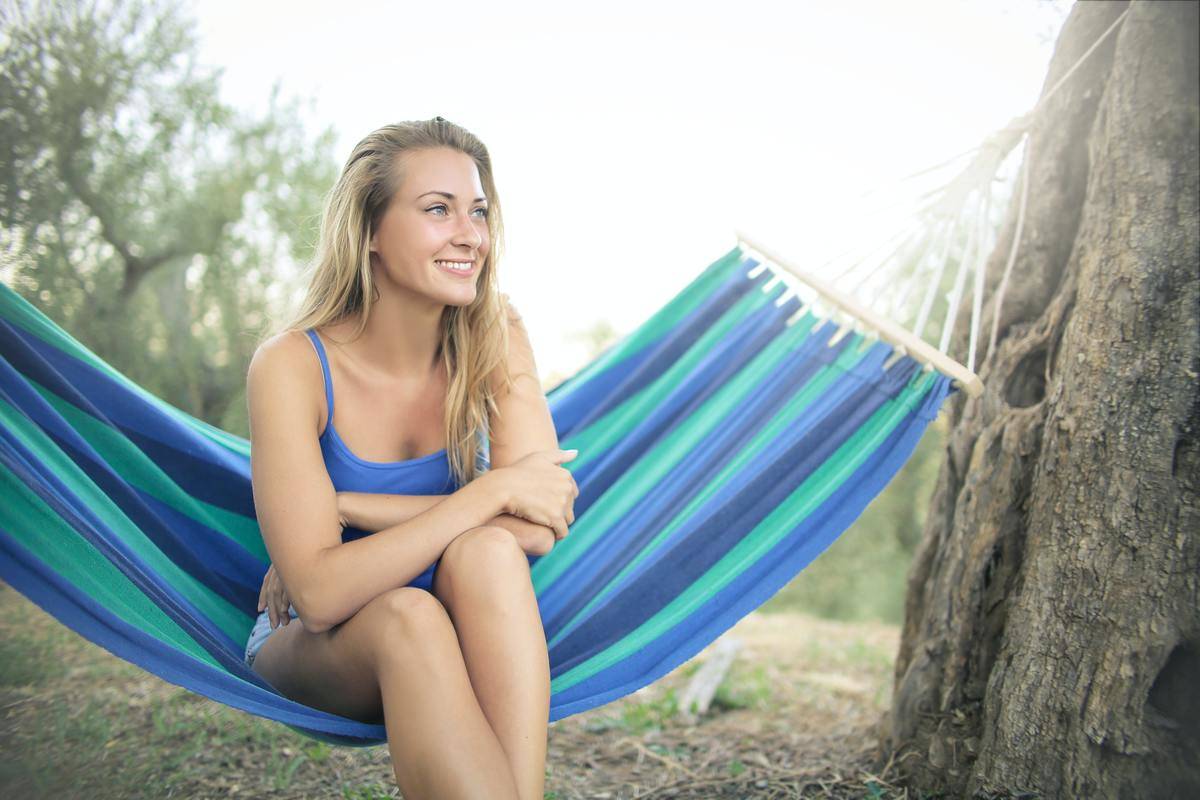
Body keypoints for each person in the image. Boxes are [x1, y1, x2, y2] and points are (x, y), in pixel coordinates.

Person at [244, 117, 579, 800]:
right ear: (368, 231)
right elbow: (317, 594)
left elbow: (541, 522)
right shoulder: (292, 365)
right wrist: (489, 494)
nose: (470, 235)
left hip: (463, 614)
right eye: (437, 210)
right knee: (409, 615)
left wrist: (346, 506)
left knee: (487, 555)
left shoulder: (494, 333)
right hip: (331, 643)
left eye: (478, 212)